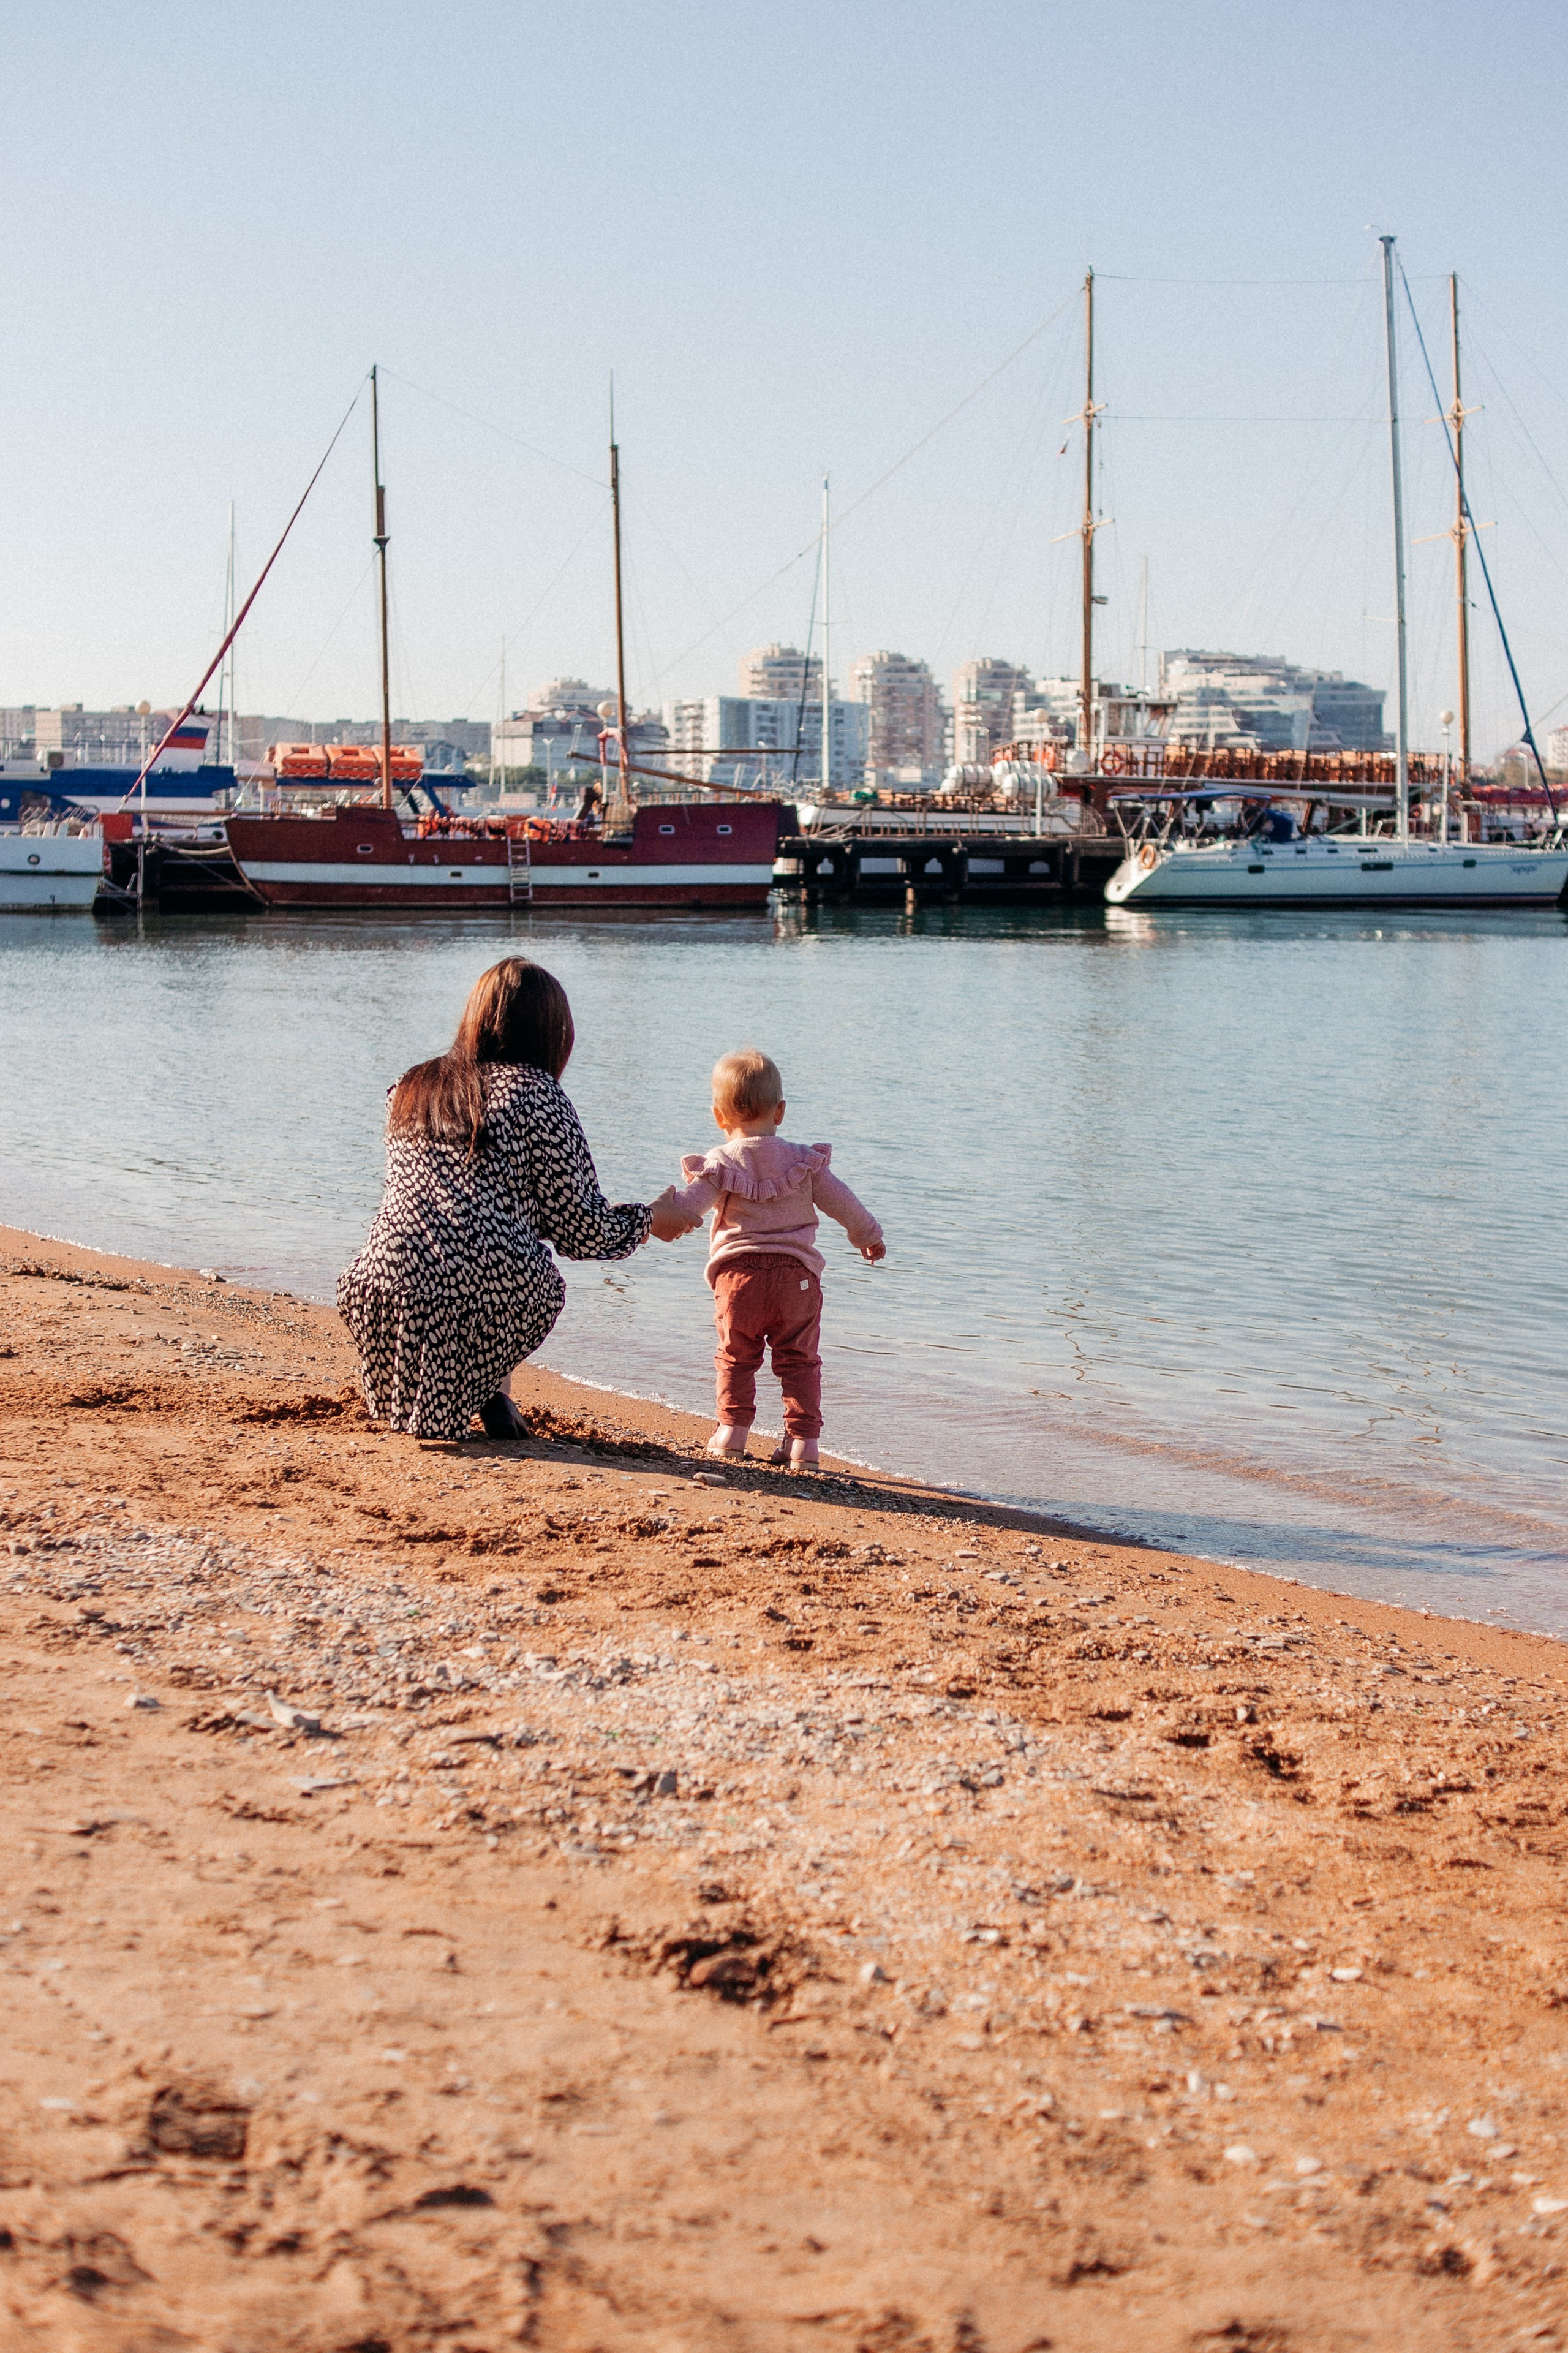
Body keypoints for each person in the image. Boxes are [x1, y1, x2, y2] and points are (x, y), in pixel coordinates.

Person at [338, 957, 688, 1443]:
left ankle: (487, 1392)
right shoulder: (537, 1092)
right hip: (481, 1296)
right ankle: (486, 1391)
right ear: (552, 1031)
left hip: (377, 1289)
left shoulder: (411, 1086)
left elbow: (453, 1201)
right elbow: (583, 1231)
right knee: (518, 1274)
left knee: (478, 1249)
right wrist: (650, 1218)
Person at [669, 1047, 884, 1470]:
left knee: (736, 1355)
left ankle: (732, 1432)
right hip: (796, 1280)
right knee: (800, 1359)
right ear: (780, 1111)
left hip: (739, 1281)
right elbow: (844, 1202)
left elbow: (690, 1207)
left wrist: (658, 1222)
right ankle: (804, 1443)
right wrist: (869, 1235)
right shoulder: (804, 1162)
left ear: (719, 1116)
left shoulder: (719, 1163)